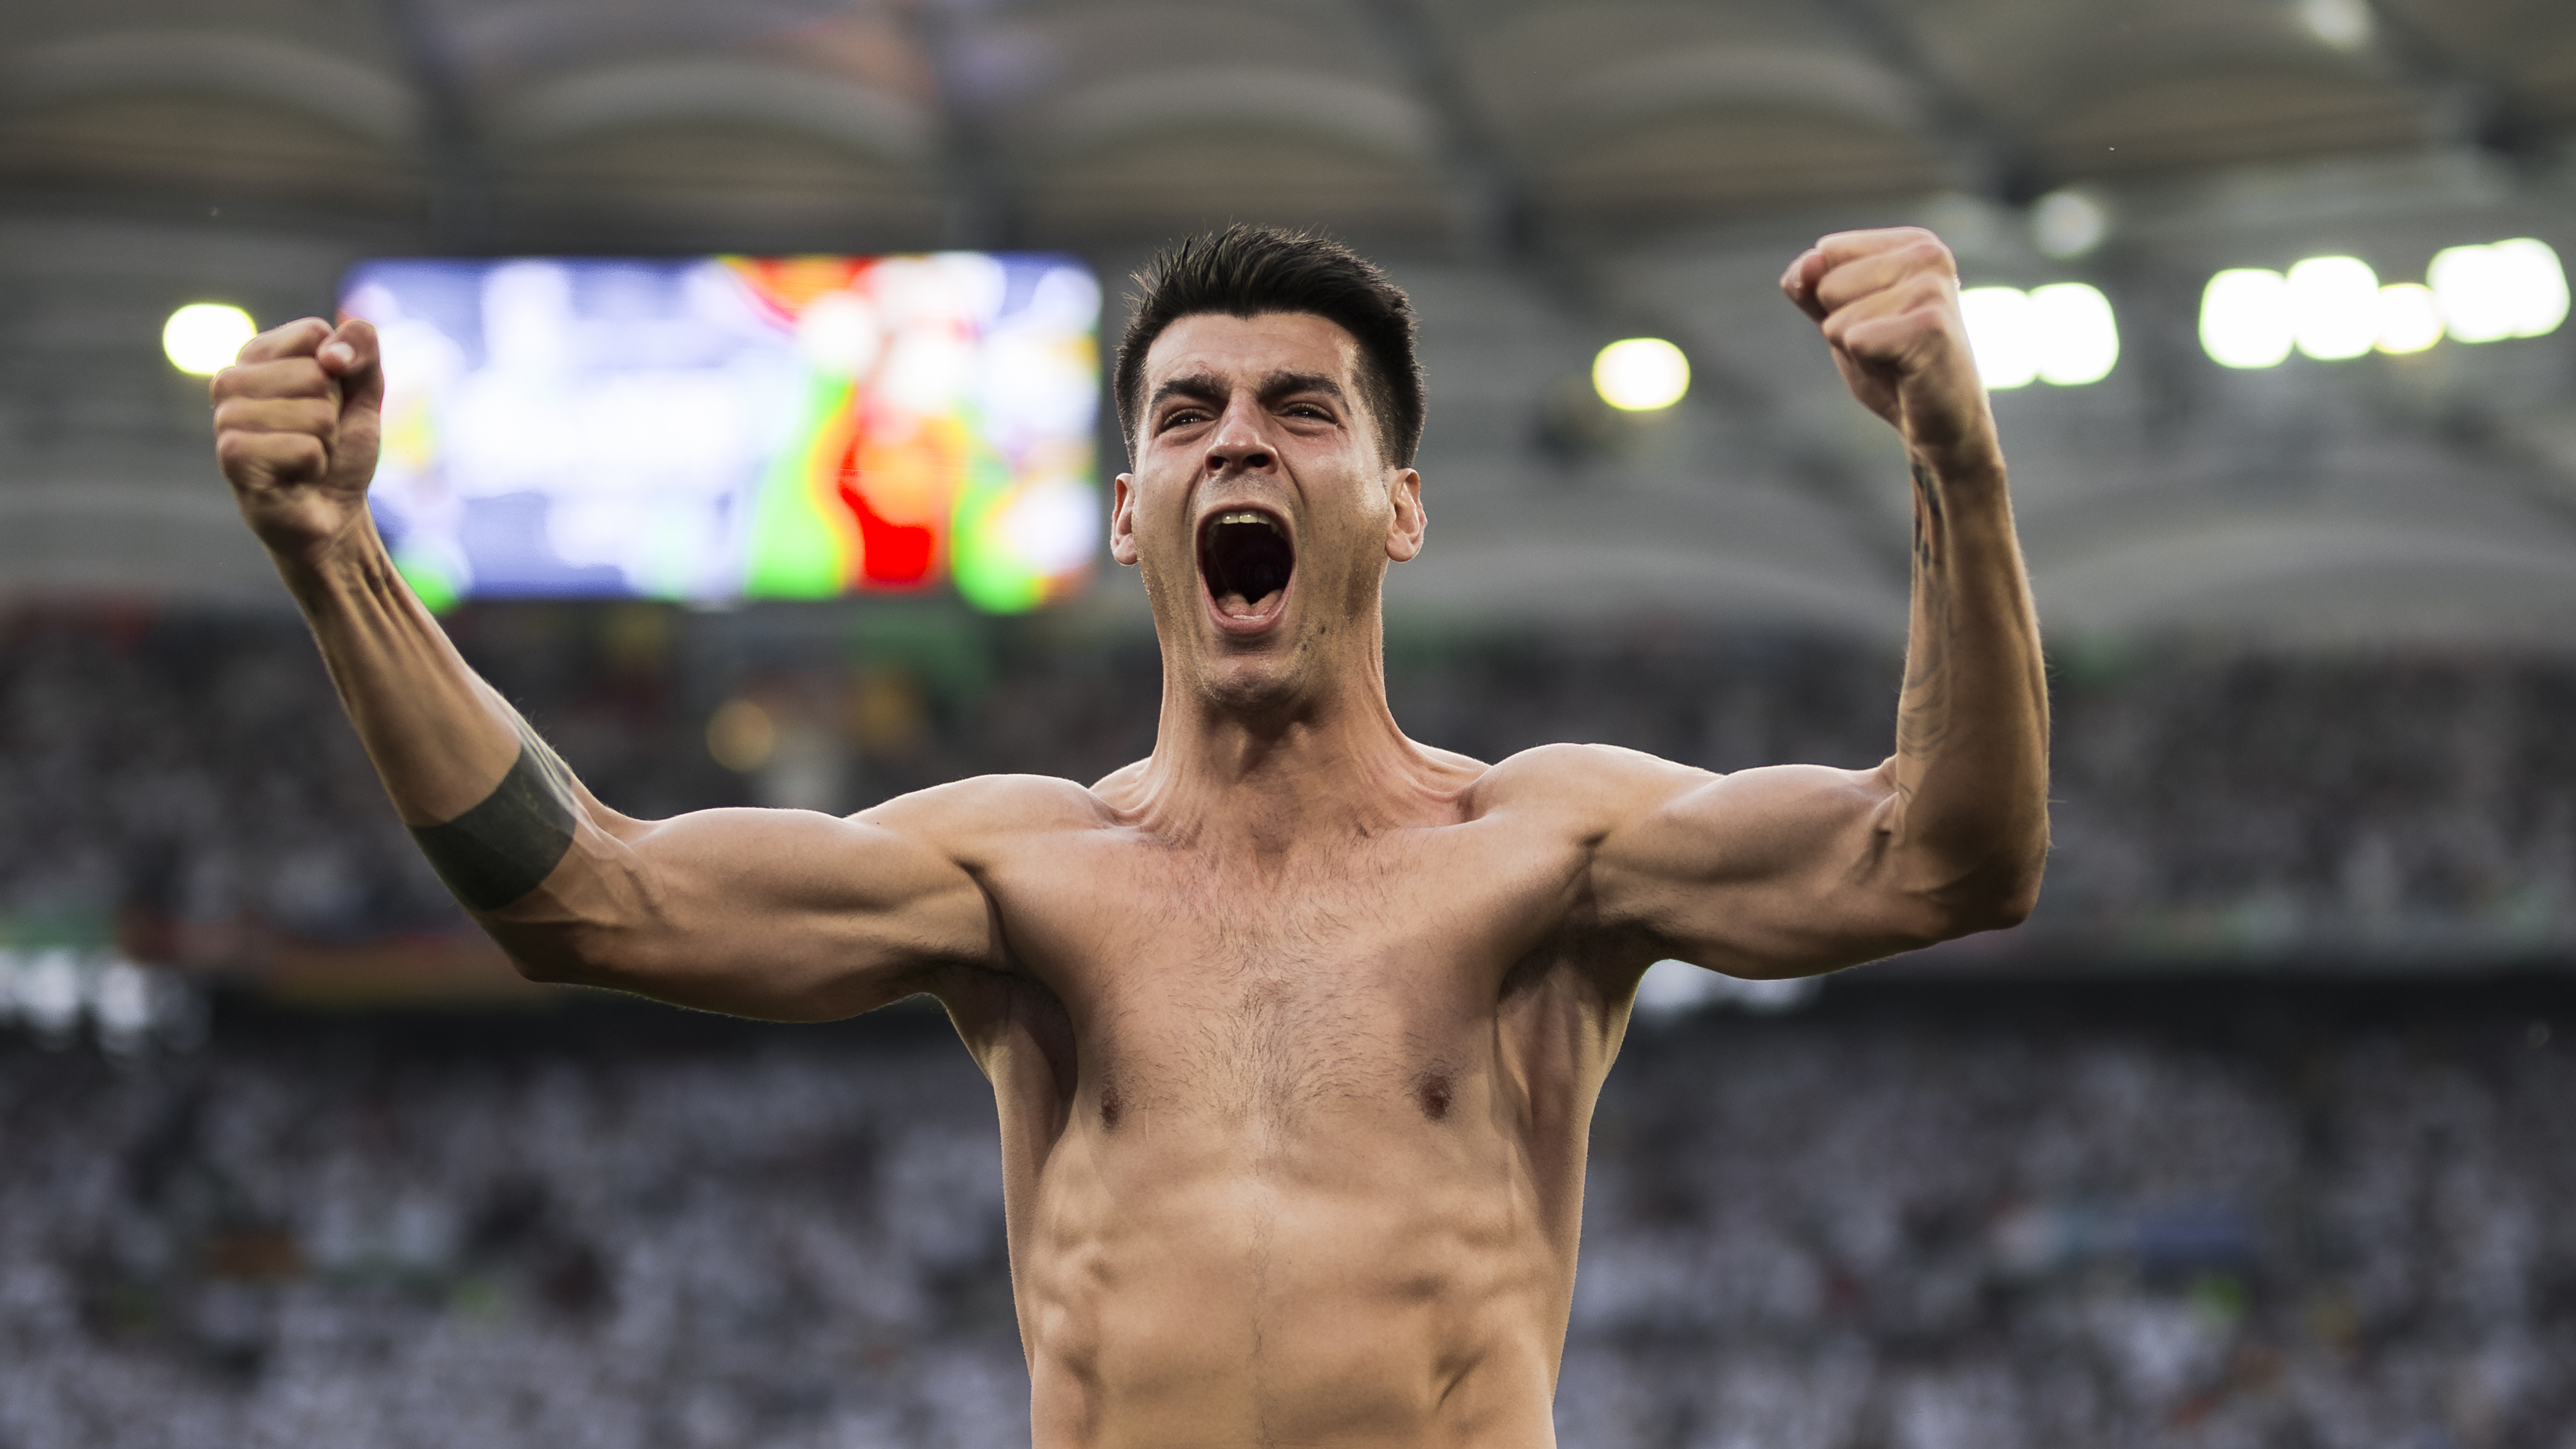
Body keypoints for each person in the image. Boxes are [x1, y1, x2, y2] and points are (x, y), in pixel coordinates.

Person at [209, 223, 2047, 1447]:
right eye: (1190, 413)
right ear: (1127, 509)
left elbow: (1945, 857)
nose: (1239, 441)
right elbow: (585, 897)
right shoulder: (1016, 877)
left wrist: (1955, 457)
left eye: (1299, 409)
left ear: (1395, 506)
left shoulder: (1543, 848)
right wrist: (335, 557)